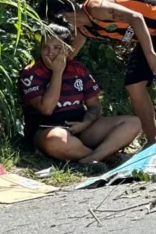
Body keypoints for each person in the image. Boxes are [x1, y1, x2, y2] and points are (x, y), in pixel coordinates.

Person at [37, 0, 156, 145]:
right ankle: (152, 141)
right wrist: (45, 73)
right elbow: (68, 57)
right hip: (149, 34)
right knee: (134, 85)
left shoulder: (96, 7)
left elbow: (136, 17)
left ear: (61, 15)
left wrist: (151, 55)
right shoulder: (83, 28)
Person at [19, 24, 141, 171]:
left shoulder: (78, 69)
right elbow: (46, 109)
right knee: (57, 140)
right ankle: (108, 157)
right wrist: (57, 72)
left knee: (133, 122)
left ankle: (90, 158)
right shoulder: (31, 72)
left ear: (67, 49)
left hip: (80, 127)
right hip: (48, 130)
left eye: (57, 48)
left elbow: (95, 107)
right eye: (46, 47)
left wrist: (84, 124)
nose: (50, 53)